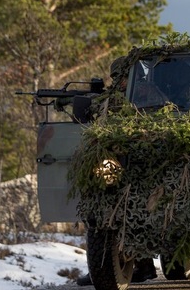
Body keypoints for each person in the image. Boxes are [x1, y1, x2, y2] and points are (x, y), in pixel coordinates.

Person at [76, 56, 159, 286]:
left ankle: (138, 266)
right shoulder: (114, 97)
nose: (120, 81)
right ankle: (109, 267)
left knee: (132, 205)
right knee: (110, 208)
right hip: (126, 161)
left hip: (145, 159)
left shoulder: (146, 93)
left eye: (122, 76)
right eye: (118, 78)